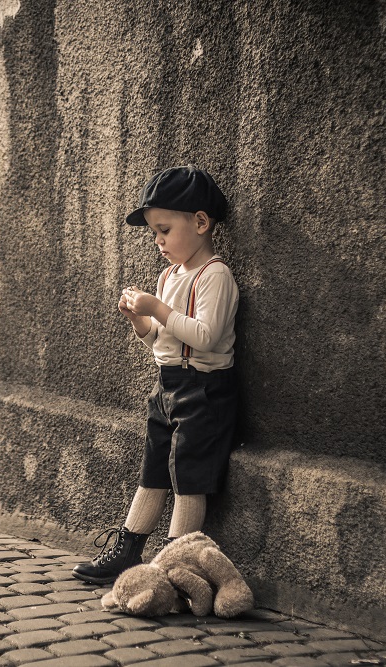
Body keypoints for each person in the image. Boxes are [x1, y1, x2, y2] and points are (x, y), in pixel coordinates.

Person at [72, 165, 240, 585]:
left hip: (203, 390)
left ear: (200, 222)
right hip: (166, 386)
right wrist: (138, 319)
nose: (158, 241)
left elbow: (205, 337)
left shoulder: (214, 275)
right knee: (153, 471)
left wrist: (158, 309)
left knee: (189, 478)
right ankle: (127, 552)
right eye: (154, 233)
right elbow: (160, 341)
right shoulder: (169, 276)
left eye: (164, 230)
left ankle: (175, 566)